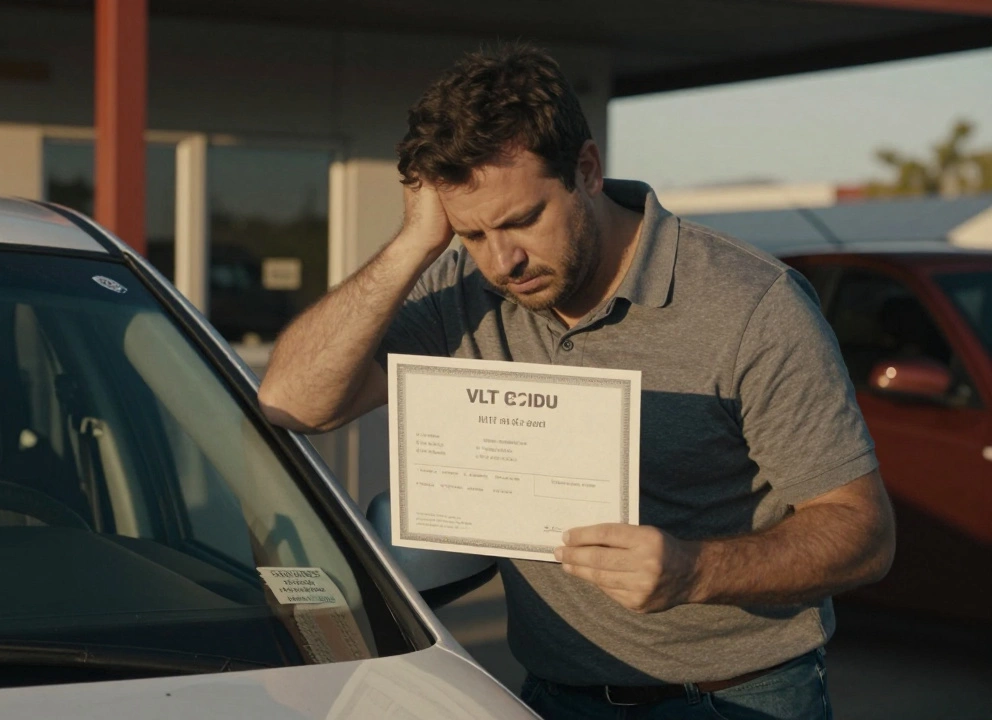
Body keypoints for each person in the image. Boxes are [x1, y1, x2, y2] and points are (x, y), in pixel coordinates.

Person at [258, 43, 894, 720]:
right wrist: (417, 242)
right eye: (472, 232)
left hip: (740, 698)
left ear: (586, 170)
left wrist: (695, 569)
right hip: (554, 694)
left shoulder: (752, 305)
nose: (504, 260)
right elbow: (292, 400)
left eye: (523, 220)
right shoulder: (463, 289)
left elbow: (863, 532)